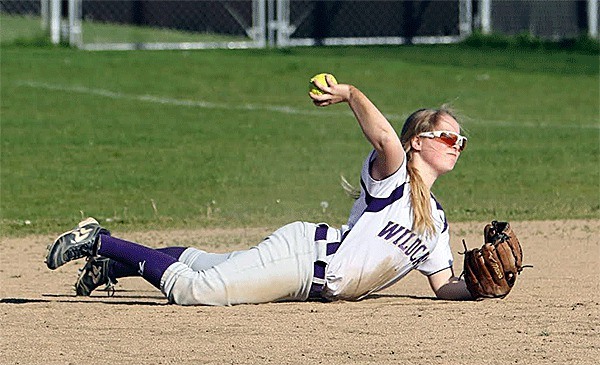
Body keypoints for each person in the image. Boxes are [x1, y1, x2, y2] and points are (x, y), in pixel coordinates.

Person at [45, 75, 472, 305]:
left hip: (310, 284)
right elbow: (384, 138)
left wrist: (479, 287)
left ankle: (110, 266)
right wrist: (349, 94)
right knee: (198, 291)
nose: (457, 146)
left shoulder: (434, 221)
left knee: (208, 266)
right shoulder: (395, 178)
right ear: (419, 142)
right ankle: (99, 240)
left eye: (461, 142)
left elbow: (443, 284)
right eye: (448, 137)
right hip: (306, 257)